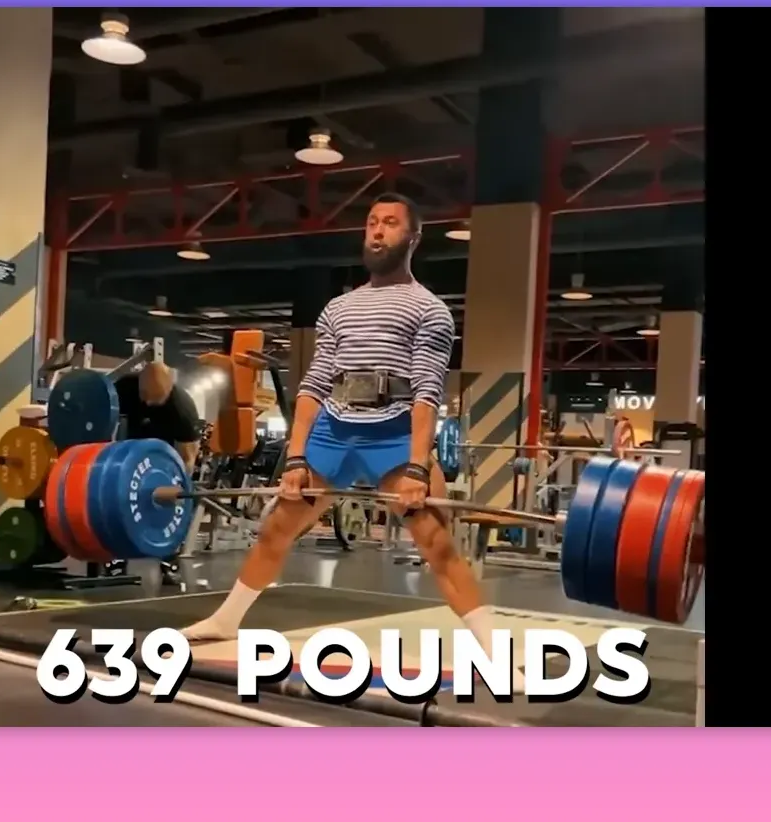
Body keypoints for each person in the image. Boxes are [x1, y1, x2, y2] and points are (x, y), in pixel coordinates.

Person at [181, 192, 526, 691]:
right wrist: (296, 455)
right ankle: (225, 620)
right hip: (335, 431)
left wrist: (415, 466)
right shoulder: (338, 309)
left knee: (436, 541)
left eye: (389, 223)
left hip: (394, 433)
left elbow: (428, 389)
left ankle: (497, 653)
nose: (377, 231)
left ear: (412, 237)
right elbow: (314, 383)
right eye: (371, 223)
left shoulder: (430, 311)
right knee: (277, 526)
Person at [104, 359, 200, 584]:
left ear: (168, 389)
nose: (147, 402)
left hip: (164, 461)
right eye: (144, 394)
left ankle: (168, 561)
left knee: (175, 504)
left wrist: (178, 487)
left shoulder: (182, 408)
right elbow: (102, 423)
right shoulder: (124, 388)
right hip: (127, 455)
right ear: (139, 383)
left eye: (154, 399)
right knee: (115, 502)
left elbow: (188, 457)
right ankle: (116, 560)